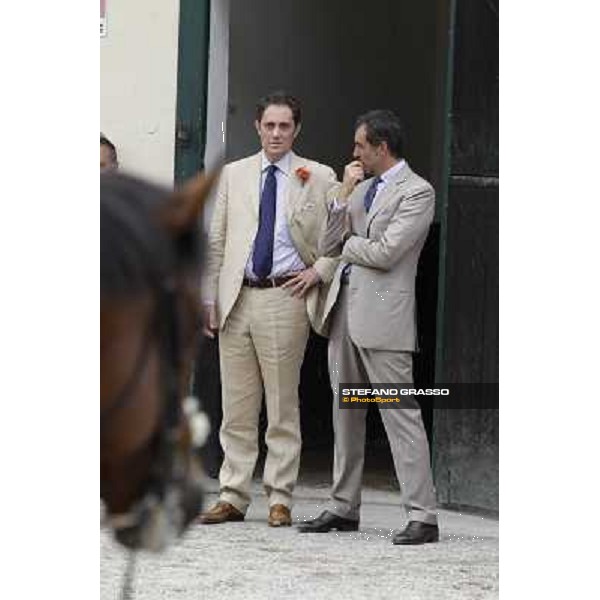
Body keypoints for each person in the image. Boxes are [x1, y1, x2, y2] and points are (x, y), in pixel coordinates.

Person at [297, 110, 439, 545]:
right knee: (345, 414)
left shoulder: (418, 191)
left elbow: (387, 252)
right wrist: (342, 196)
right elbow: (326, 244)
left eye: (360, 145)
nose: (354, 152)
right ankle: (344, 507)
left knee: (400, 415)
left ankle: (423, 515)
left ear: (381, 147)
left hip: (384, 317)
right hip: (344, 313)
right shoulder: (358, 191)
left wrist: (347, 245)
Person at [199, 91, 339, 527]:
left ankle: (280, 497)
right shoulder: (234, 175)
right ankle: (233, 494)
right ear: (257, 127)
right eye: (269, 125)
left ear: (296, 129)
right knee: (236, 405)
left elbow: (340, 236)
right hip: (238, 296)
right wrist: (210, 297)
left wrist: (319, 270)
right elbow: (217, 241)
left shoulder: (318, 175)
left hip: (285, 296)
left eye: (284, 126)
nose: (276, 133)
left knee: (281, 404)